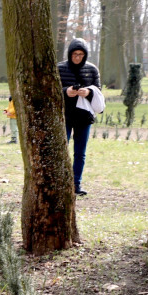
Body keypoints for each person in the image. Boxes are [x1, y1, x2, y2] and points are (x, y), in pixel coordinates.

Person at [57, 38, 101, 196]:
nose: (78, 57)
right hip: (65, 115)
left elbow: (98, 91)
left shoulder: (92, 69)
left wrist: (88, 92)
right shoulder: (60, 68)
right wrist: (65, 92)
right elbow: (51, 89)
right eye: (75, 54)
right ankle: (61, 183)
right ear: (70, 54)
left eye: (81, 54)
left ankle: (76, 184)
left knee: (80, 152)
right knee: (62, 149)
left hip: (84, 116)